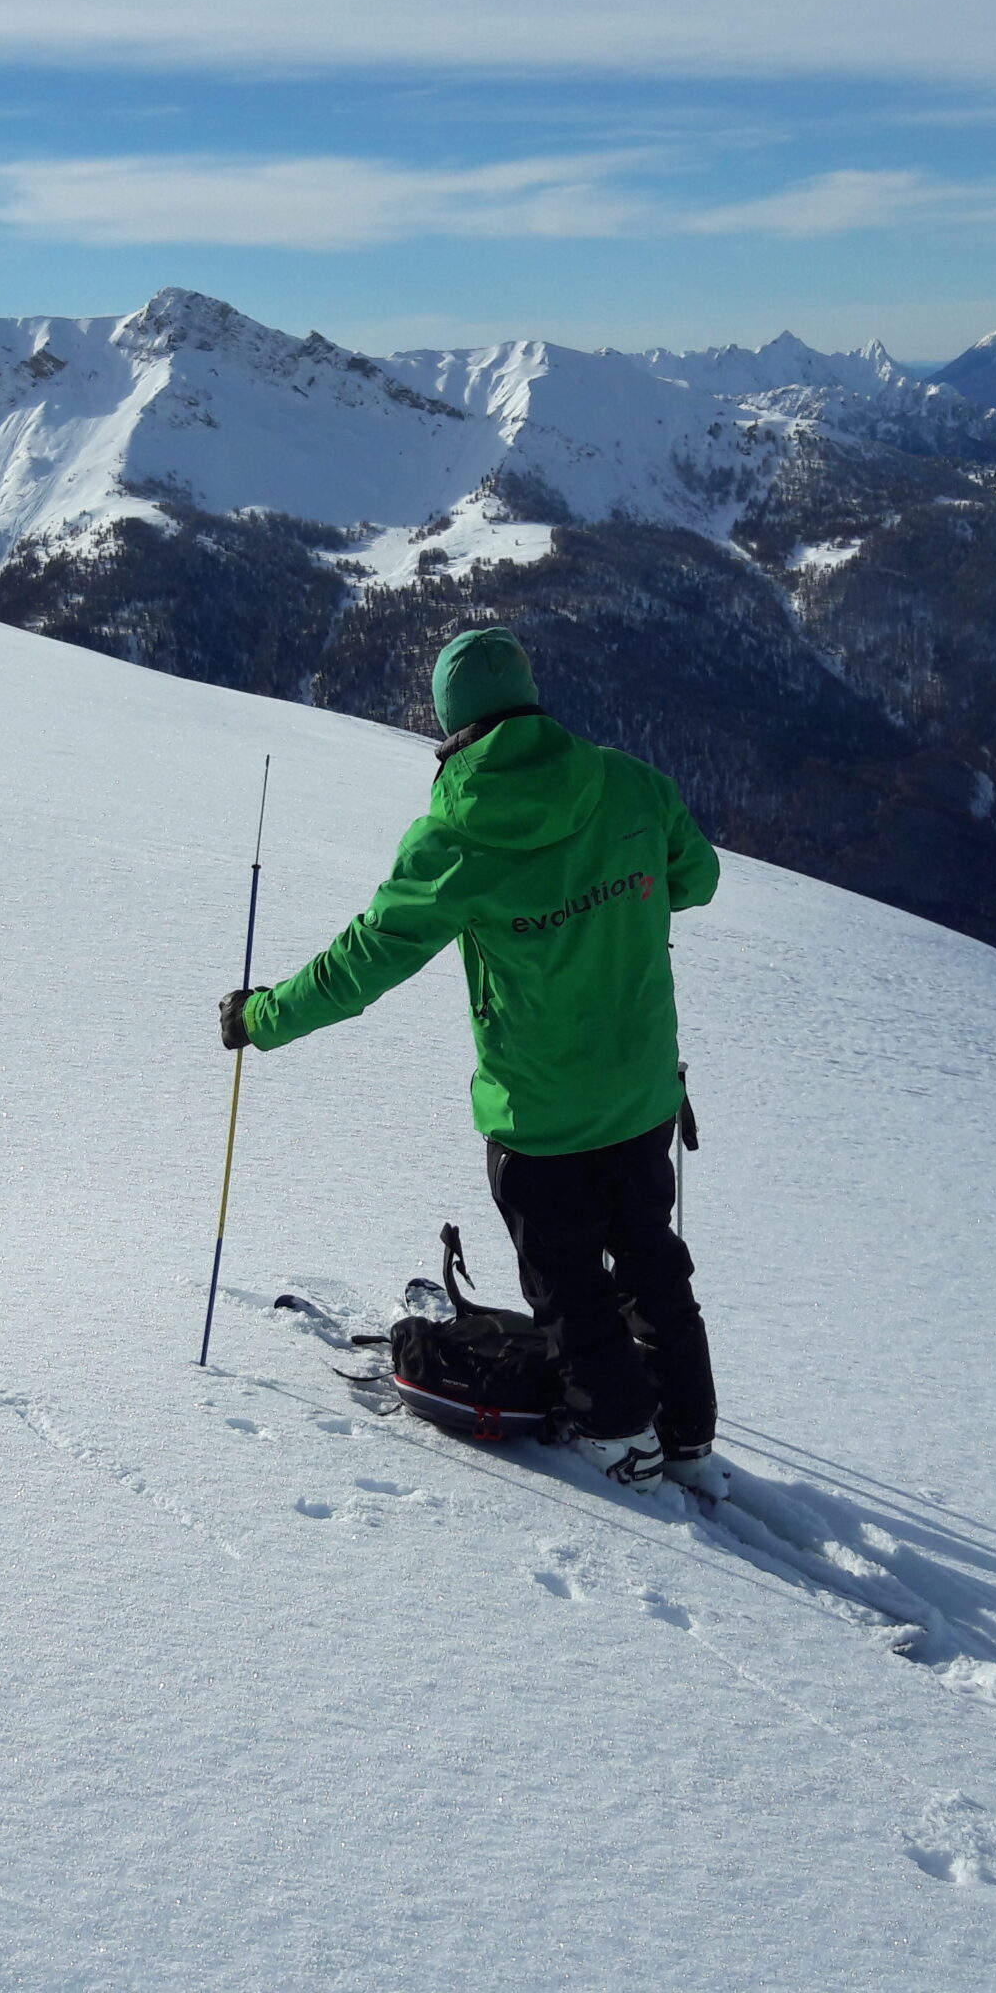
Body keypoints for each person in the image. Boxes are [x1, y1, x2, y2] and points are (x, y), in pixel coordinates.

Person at [218, 628, 728, 1498]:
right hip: (642, 1091)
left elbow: (361, 964)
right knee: (650, 1258)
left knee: (568, 1287)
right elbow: (697, 880)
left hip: (539, 1116)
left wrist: (259, 1017)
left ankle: (621, 1438)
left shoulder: (453, 841)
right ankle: (686, 1436)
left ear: (450, 725)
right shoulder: (630, 785)